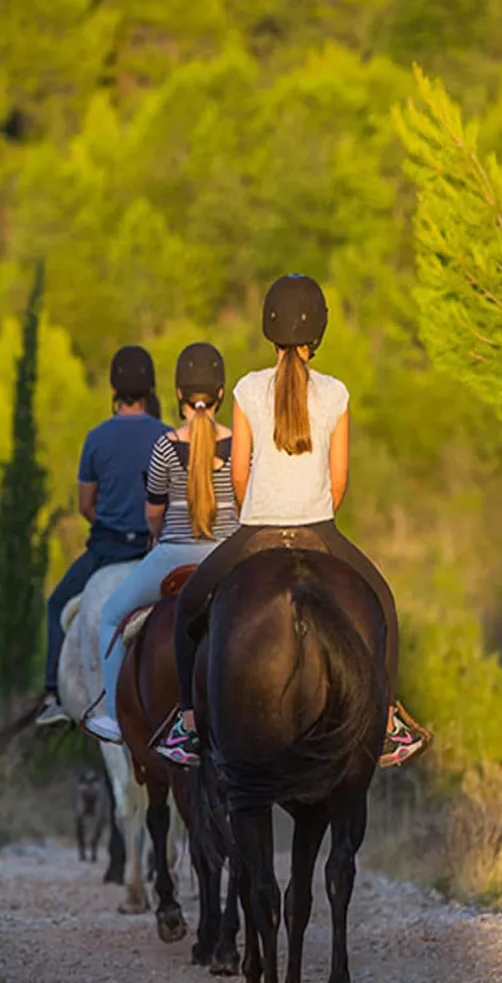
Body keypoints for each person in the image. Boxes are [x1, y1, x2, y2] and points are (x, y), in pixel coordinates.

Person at [153, 273, 428, 768]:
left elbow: (239, 476)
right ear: (318, 333)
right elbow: (338, 480)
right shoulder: (337, 393)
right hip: (320, 529)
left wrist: (259, 514)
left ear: (268, 328)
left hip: (255, 531)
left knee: (190, 606)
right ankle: (388, 723)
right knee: (383, 605)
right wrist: (313, 511)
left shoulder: (246, 389)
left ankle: (188, 725)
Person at [81, 342, 241, 744]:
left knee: (112, 617)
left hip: (172, 557)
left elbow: (154, 514)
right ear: (221, 394)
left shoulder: (165, 447)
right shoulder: (241, 445)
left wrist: (156, 536)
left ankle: (117, 720)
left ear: (178, 396)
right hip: (227, 557)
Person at [34, 345, 172, 727]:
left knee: (56, 604)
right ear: (150, 389)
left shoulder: (96, 439)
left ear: (114, 389)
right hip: (154, 551)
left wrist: (109, 519)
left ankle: (54, 696)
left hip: (108, 550)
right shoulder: (169, 436)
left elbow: (85, 505)